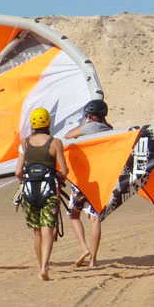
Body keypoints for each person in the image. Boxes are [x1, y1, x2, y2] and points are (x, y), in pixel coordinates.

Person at [15, 107, 69, 280]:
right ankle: (45, 266)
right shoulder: (55, 143)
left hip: (30, 192)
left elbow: (18, 172)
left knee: (36, 231)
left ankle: (39, 265)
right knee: (48, 230)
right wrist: (58, 175)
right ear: (48, 122)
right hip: (49, 191)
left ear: (32, 123)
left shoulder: (25, 143)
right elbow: (65, 170)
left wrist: (25, 181)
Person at [63, 99, 113, 267]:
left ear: (93, 116)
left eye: (89, 115)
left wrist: (83, 123)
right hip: (101, 180)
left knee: (74, 215)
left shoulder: (91, 127)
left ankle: (84, 248)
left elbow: (68, 135)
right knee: (94, 218)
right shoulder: (110, 130)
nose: (89, 117)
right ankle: (93, 260)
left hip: (83, 179)